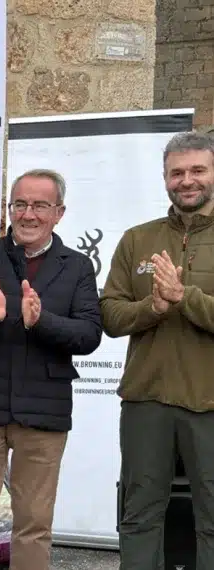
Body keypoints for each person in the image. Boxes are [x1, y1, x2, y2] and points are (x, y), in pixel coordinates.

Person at [0, 169, 102, 570]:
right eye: (20, 204)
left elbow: (88, 334)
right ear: (9, 209)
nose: (28, 214)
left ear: (59, 213)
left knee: (33, 523)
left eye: (40, 205)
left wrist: (37, 319)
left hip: (44, 411)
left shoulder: (77, 266)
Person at [100, 131, 214, 570]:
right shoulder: (137, 239)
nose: (187, 181)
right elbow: (109, 315)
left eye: (197, 170)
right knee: (139, 518)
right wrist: (154, 306)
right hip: (146, 401)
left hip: (209, 402)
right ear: (165, 178)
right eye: (177, 173)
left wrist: (185, 298)